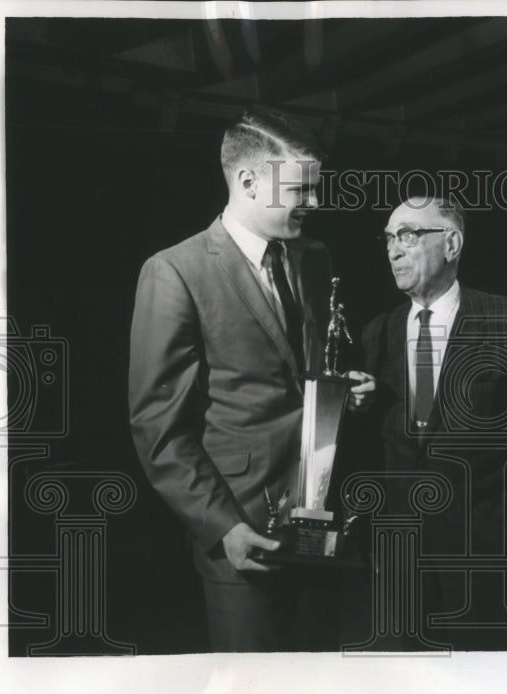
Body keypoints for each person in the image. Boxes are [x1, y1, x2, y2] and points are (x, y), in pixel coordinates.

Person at [129, 106, 370, 652]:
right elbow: (157, 427)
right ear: (246, 181)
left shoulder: (314, 258)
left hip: (318, 525)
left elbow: (307, 372)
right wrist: (223, 528)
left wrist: (343, 390)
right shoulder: (174, 271)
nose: (314, 202)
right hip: (243, 535)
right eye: (301, 190)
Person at [347, 196, 507, 650]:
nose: (394, 250)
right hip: (398, 566)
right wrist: (352, 410)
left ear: (451, 244)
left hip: (484, 561)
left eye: (408, 235)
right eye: (389, 238)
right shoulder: (376, 334)